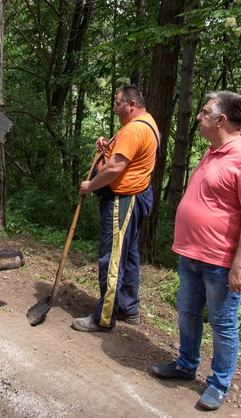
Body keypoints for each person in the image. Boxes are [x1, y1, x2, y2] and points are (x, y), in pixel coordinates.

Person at [150, 90, 241, 411]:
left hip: (222, 263)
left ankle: (218, 384)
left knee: (223, 323)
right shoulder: (212, 152)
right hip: (192, 255)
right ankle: (186, 365)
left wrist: (240, 266)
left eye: (205, 113)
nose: (199, 117)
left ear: (221, 120)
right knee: (188, 312)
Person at [72, 85, 159, 333]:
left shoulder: (135, 129)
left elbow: (114, 169)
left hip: (124, 199)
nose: (114, 108)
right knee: (128, 254)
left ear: (131, 104)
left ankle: (104, 317)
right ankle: (128, 309)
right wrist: (106, 146)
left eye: (118, 103)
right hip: (138, 196)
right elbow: (123, 154)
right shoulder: (145, 123)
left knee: (112, 257)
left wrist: (89, 186)